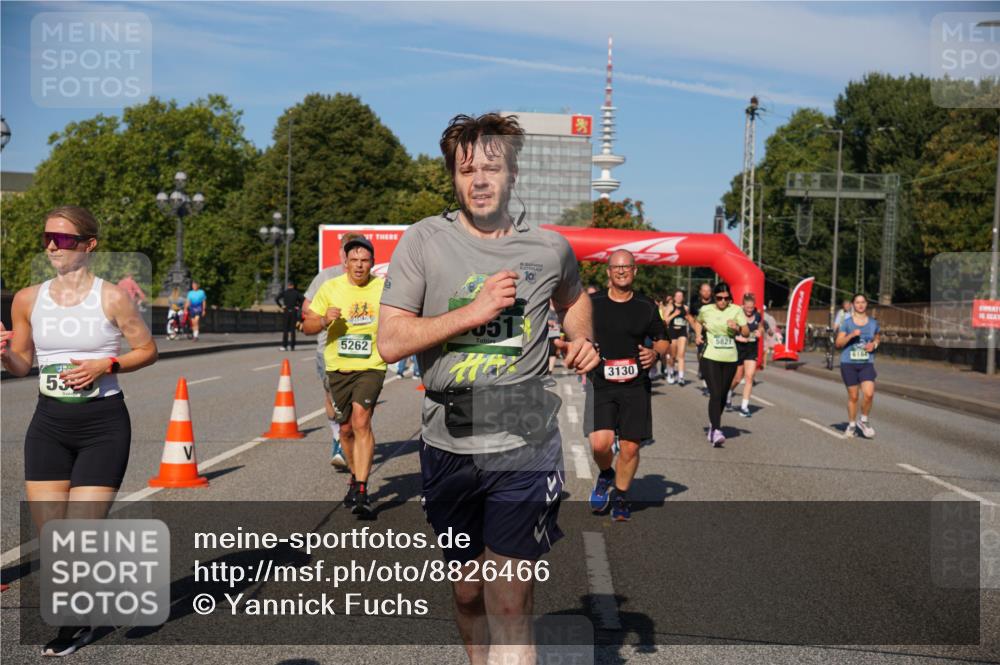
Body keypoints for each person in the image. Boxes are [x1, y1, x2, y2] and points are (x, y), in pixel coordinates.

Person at [377, 112, 599, 665]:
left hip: (525, 438)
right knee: (469, 591)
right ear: (453, 177)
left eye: (491, 168)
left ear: (513, 174)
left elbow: (573, 300)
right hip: (448, 440)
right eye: (465, 169)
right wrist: (472, 313)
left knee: (509, 599)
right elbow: (390, 342)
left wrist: (582, 337)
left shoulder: (549, 248)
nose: (478, 179)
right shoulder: (424, 241)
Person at [0, 206, 157, 656]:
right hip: (48, 424)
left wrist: (106, 363)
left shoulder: (111, 298)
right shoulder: (27, 299)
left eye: (64, 239)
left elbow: (147, 350)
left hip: (102, 426)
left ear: (88, 246)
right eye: (48, 236)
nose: (52, 245)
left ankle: (72, 623)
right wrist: (5, 355)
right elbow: (23, 365)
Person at [303, 236, 386, 517]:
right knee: (347, 429)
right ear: (346, 262)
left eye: (365, 261)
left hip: (371, 365)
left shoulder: (384, 289)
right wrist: (325, 319)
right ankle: (354, 477)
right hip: (338, 367)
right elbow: (307, 326)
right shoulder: (330, 288)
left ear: (372, 264)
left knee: (362, 419)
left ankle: (362, 489)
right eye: (354, 260)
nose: (359, 265)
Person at [585, 251, 668, 522]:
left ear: (635, 271)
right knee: (600, 444)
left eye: (627, 267)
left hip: (635, 384)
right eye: (616, 267)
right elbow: (576, 331)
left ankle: (621, 495)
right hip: (601, 381)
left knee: (630, 447)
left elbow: (663, 339)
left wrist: (655, 353)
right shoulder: (592, 302)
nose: (621, 271)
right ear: (608, 272)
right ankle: (606, 473)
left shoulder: (645, 305)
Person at [303, 235, 362, 469]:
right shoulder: (326, 277)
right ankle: (339, 437)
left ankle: (353, 439)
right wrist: (324, 313)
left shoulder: (369, 280)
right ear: (341, 253)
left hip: (361, 350)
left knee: (359, 404)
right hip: (328, 348)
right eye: (346, 252)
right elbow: (306, 308)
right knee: (332, 398)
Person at [691, 282, 749, 447]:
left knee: (723, 394)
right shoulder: (706, 310)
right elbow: (698, 322)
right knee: (715, 393)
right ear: (714, 298)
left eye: (726, 298)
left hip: (730, 357)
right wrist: (698, 335)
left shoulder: (736, 310)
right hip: (710, 356)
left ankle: (713, 424)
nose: (723, 301)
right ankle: (716, 430)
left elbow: (746, 331)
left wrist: (737, 327)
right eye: (719, 298)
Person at [835, 293, 881, 438]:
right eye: (857, 302)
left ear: (866, 304)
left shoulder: (873, 323)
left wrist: (874, 344)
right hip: (849, 363)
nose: (860, 305)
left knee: (869, 394)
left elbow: (878, 336)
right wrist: (850, 336)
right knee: (853, 397)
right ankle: (852, 424)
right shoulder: (847, 323)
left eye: (863, 302)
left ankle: (864, 420)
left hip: (866, 363)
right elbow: (838, 343)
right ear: (853, 305)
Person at [729, 293, 764, 417]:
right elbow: (731, 330)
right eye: (747, 308)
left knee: (749, 377)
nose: (749, 310)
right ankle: (729, 391)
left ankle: (744, 407)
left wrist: (760, 332)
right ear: (743, 305)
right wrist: (739, 336)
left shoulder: (758, 315)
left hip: (751, 348)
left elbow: (761, 328)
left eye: (751, 308)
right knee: (738, 378)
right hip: (739, 348)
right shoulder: (738, 315)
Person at [687, 282, 713, 392]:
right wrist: (696, 328)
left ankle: (708, 381)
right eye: (704, 290)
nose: (706, 293)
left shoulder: (715, 303)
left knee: (711, 358)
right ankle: (702, 369)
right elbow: (690, 316)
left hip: (713, 334)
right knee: (702, 356)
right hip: (700, 335)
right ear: (700, 292)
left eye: (708, 290)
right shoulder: (696, 304)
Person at [663, 289, 690, 386]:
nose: (679, 298)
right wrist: (674, 314)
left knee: (681, 355)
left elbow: (687, 320)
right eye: (677, 296)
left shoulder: (685, 308)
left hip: (682, 332)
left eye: (681, 296)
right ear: (674, 297)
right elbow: (665, 321)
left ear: (683, 298)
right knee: (673, 356)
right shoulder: (670, 307)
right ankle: (670, 372)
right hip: (672, 332)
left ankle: (681, 377)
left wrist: (687, 332)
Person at [276, 281, 305, 352]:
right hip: (293, 311)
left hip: (286, 311)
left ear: (288, 285)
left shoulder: (285, 292)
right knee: (292, 330)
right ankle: (292, 346)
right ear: (293, 286)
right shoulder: (296, 293)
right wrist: (298, 306)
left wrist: (281, 306)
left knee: (285, 329)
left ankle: (284, 346)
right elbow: (303, 299)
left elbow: (276, 299)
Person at [546, 303, 562, 374]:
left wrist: (561, 325)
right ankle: (545, 368)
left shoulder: (560, 309)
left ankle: (550, 370)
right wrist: (548, 322)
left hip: (556, 333)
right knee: (547, 352)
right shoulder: (546, 309)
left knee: (553, 352)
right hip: (546, 334)